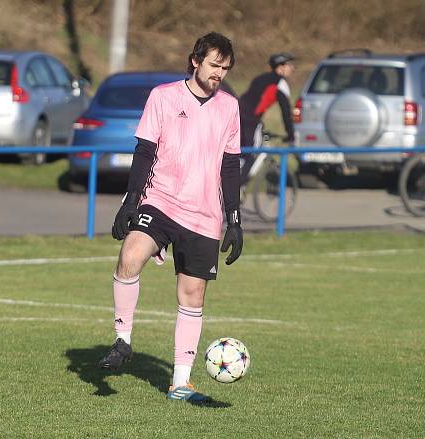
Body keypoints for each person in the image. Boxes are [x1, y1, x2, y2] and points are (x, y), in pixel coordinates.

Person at [97, 32, 243, 404]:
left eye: (225, 69)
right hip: (160, 200)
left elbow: (230, 165)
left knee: (192, 294)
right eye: (214, 65)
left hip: (204, 212)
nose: (219, 74)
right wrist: (130, 203)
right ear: (195, 60)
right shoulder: (163, 97)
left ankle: (180, 382)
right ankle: (123, 340)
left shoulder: (229, 107)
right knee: (131, 256)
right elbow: (145, 150)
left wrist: (235, 218)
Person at [238, 52, 296, 183]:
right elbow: (286, 112)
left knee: (241, 153)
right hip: (250, 121)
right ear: (281, 67)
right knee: (253, 152)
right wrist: (291, 135)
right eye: (289, 65)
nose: (292, 68)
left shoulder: (260, 78)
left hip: (237, 116)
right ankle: (237, 188)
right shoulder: (280, 83)